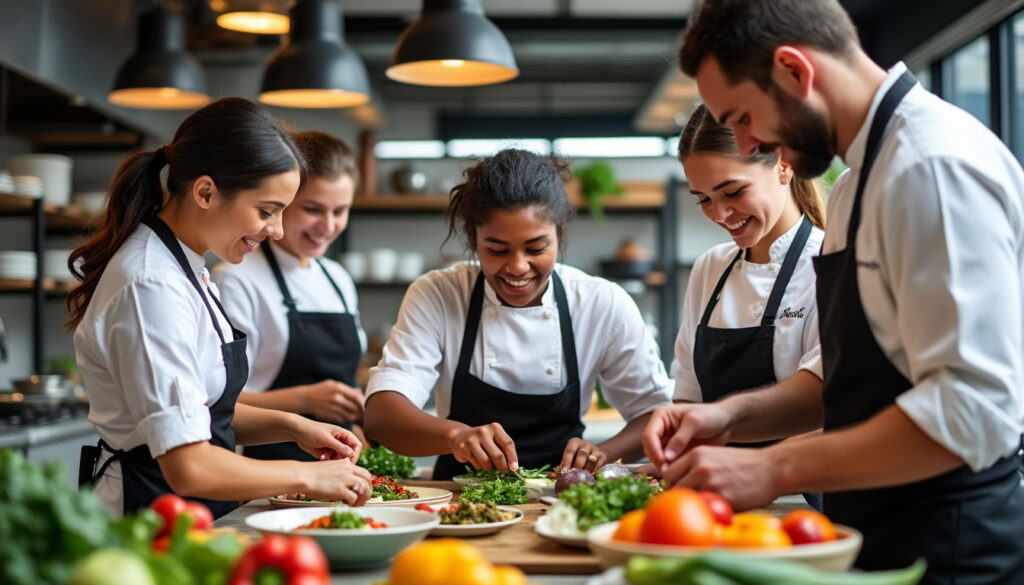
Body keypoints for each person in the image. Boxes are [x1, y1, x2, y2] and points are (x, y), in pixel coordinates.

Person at [644, 0, 1024, 582]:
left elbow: (974, 409)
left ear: (795, 71)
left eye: (743, 117)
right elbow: (848, 383)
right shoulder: (854, 186)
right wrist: (727, 417)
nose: (747, 145)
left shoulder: (929, 167)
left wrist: (775, 467)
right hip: (872, 532)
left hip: (948, 547)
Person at [70, 98, 372, 518]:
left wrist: (294, 426)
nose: (277, 230)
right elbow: (189, 466)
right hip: (146, 517)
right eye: (267, 211)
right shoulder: (152, 284)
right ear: (206, 192)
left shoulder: (186, 265)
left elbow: (202, 411)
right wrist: (309, 477)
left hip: (195, 513)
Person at [363, 148, 673, 480]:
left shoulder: (602, 303)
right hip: (458, 500)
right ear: (473, 239)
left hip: (564, 499)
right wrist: (455, 436)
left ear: (560, 235)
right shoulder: (439, 294)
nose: (517, 267)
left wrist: (605, 452)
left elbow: (657, 416)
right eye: (496, 250)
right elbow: (382, 417)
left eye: (537, 248)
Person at [212, 131, 367, 462]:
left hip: (341, 467)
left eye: (340, 211)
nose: (327, 226)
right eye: (312, 209)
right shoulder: (236, 278)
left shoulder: (337, 279)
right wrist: (304, 399)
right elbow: (218, 404)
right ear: (279, 205)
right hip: (269, 469)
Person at [672, 104, 825, 427]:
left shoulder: (830, 264)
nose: (719, 214)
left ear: (784, 164)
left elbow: (830, 407)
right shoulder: (709, 268)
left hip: (805, 473)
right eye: (703, 199)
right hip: (706, 473)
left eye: (733, 191)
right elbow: (688, 391)